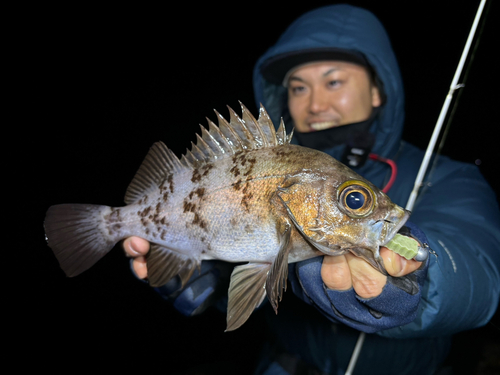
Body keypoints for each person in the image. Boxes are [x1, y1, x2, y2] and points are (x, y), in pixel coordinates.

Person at [123, 4, 500, 374]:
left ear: (377, 91)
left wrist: (424, 274)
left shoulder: (453, 178)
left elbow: (478, 279)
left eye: (333, 81)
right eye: (299, 87)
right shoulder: (275, 158)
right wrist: (214, 280)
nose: (315, 103)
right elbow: (250, 271)